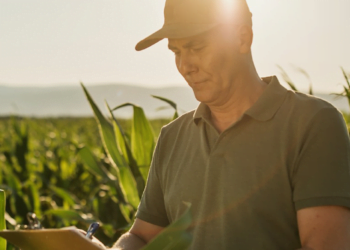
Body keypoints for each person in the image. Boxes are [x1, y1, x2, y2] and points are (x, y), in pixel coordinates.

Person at [110, 0, 350, 249]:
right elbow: (142, 237)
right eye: (177, 52)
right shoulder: (172, 137)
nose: (185, 66)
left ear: (242, 38)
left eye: (197, 47)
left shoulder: (313, 123)